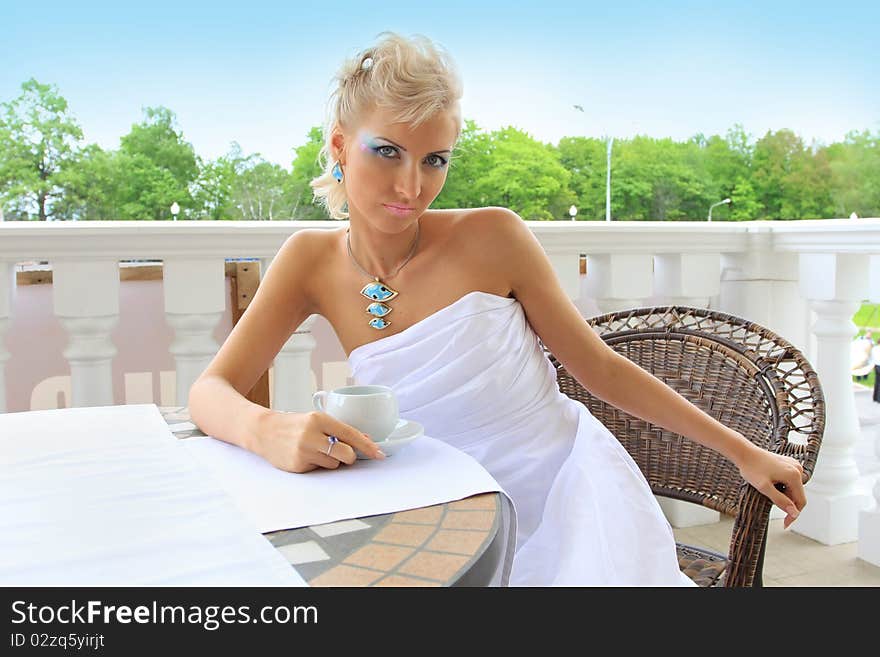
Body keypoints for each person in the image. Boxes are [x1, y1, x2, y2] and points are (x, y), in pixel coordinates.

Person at [188, 32, 806, 586]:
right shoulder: (308, 261)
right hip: (427, 499)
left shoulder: (494, 237)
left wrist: (744, 451)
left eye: (435, 160)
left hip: (558, 493)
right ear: (341, 147)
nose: (411, 187)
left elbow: (600, 369)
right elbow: (211, 390)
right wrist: (267, 430)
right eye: (387, 152)